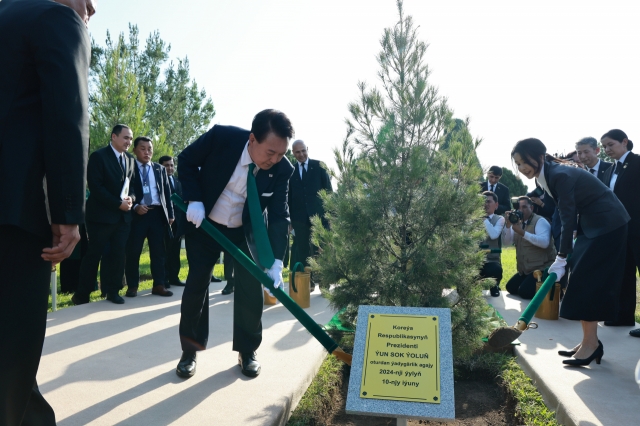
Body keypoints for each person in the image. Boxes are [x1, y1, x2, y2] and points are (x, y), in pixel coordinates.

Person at [0, 0, 95, 424]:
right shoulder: (55, 17)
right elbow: (67, 115)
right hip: (16, 216)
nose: (91, 6)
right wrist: (67, 212)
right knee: (13, 356)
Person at [176, 109, 294, 379]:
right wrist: (194, 199)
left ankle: (247, 350)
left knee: (250, 289)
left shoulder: (282, 169)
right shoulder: (222, 138)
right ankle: (189, 351)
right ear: (252, 139)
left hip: (244, 231)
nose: (275, 160)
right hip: (205, 223)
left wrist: (276, 260)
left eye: (281, 154)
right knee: (196, 285)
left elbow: (278, 215)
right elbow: (186, 160)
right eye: (270, 152)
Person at [511, 138, 629, 366]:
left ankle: (591, 344)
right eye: (517, 164)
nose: (522, 167)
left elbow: (567, 217)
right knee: (583, 279)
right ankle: (589, 341)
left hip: (608, 224)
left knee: (587, 280)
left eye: (524, 161)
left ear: (539, 156)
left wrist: (561, 255)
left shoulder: (559, 175)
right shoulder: (545, 175)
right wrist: (564, 254)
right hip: (593, 225)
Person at [74, 124, 136, 305]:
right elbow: (96, 187)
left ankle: (113, 291)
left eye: (131, 139)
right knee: (94, 255)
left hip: (123, 219)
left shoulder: (130, 160)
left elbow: (133, 187)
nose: (129, 142)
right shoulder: (99, 157)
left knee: (118, 255)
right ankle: (82, 294)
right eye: (125, 138)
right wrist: (118, 204)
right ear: (114, 137)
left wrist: (131, 199)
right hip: (101, 218)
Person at [601, 129, 640, 336]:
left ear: (624, 142)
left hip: (638, 228)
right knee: (624, 274)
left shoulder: (637, 163)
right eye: (605, 146)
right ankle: (624, 316)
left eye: (611, 145)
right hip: (619, 231)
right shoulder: (608, 170)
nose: (607, 150)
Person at [124, 137, 174, 298]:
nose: (147, 152)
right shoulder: (129, 168)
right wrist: (136, 206)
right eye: (143, 148)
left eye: (150, 149)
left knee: (158, 252)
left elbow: (167, 193)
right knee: (134, 251)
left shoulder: (159, 169)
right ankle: (132, 286)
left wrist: (170, 214)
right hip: (138, 214)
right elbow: (126, 190)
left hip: (157, 214)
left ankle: (159, 284)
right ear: (135, 150)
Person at [288, 139, 333, 288]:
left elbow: (329, 192)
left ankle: (324, 282)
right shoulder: (291, 171)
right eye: (297, 152)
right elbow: (288, 197)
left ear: (307, 149)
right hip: (299, 219)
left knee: (321, 249)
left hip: (320, 216)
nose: (301, 154)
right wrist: (289, 221)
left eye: (303, 151)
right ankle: (310, 281)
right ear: (293, 153)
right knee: (303, 251)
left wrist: (330, 216)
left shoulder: (319, 166)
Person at [502, 197, 556, 299]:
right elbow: (507, 242)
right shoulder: (518, 222)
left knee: (524, 292)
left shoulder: (540, 221)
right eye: (518, 207)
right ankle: (531, 283)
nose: (520, 210)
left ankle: (551, 287)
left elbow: (544, 243)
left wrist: (522, 233)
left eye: (524, 207)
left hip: (542, 268)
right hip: (526, 270)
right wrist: (508, 226)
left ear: (531, 207)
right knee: (510, 287)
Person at [159, 155, 187, 287]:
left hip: (178, 222)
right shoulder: (158, 181)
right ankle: (164, 279)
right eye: (166, 165)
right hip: (164, 221)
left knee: (175, 250)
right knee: (163, 250)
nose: (169, 168)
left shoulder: (178, 181)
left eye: (171, 165)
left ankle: (174, 277)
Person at [480, 191, 504, 297]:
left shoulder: (499, 219)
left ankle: (494, 286)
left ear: (496, 205)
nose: (486, 204)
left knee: (495, 269)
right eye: (484, 202)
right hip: (475, 261)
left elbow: (493, 235)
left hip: (491, 260)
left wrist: (483, 218)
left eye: (489, 201)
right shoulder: (473, 219)